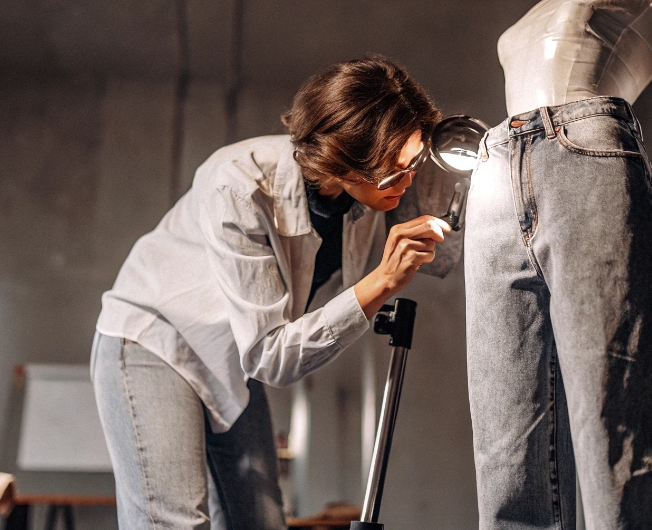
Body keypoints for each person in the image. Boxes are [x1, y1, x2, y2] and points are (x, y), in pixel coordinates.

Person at [91, 55, 459, 530]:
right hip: (154, 341)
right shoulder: (239, 183)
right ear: (343, 157)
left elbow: (451, 241)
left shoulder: (374, 188)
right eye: (393, 171)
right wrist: (382, 282)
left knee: (263, 523)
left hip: (230, 359)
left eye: (413, 162)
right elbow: (270, 356)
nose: (407, 180)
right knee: (175, 523)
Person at [464, 0, 652, 528]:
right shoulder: (535, 9)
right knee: (506, 449)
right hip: (493, 170)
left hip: (587, 157)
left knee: (620, 428)